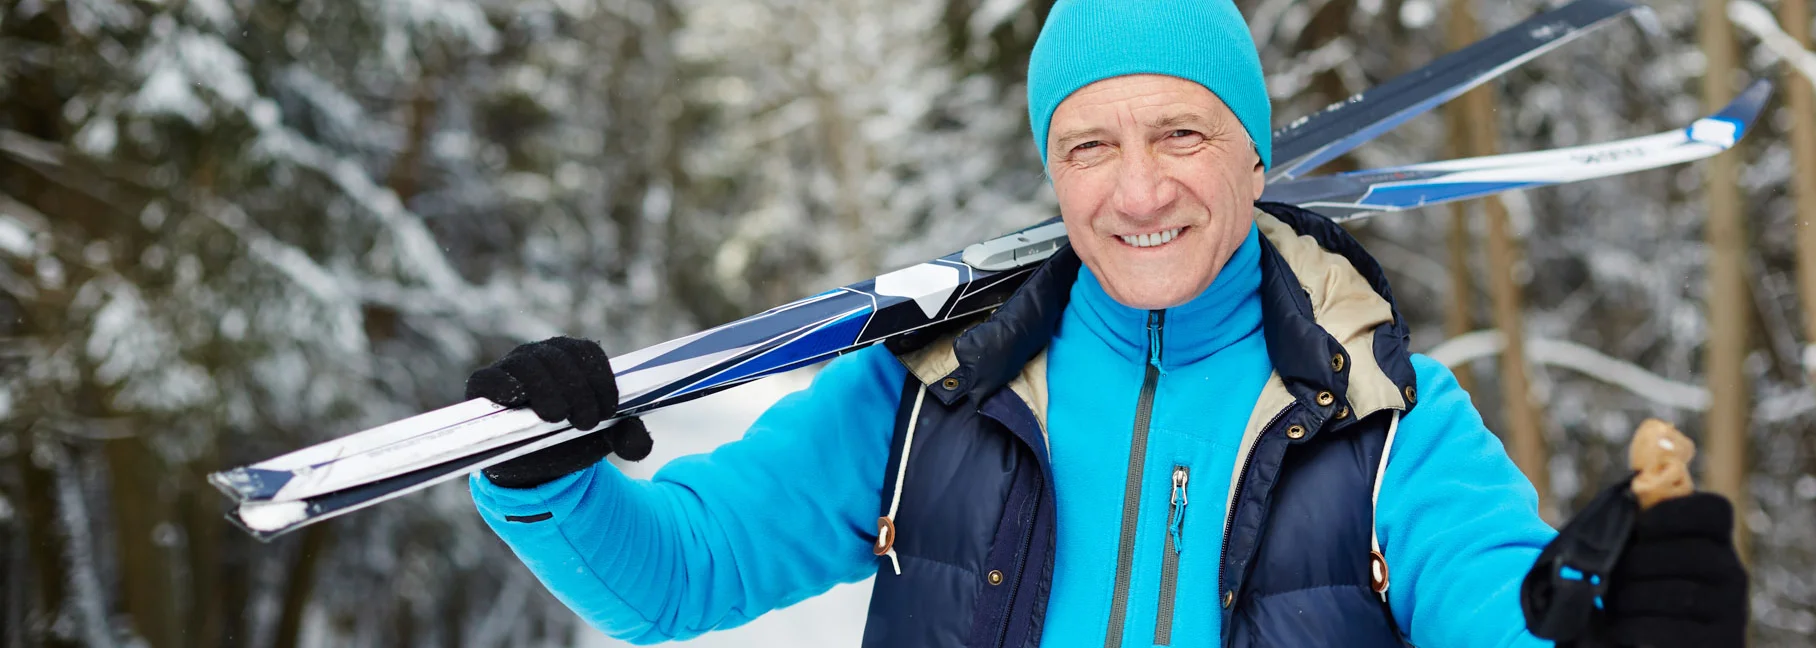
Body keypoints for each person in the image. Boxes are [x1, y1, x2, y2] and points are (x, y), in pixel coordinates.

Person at [465, 1, 1747, 646]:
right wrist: (554, 485)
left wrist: (1603, 621)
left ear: (1254, 156)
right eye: (1091, 145)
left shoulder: (1385, 422)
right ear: (1052, 168)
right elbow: (678, 573)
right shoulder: (930, 396)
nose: (1138, 192)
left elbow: (1498, 605)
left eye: (1181, 134)